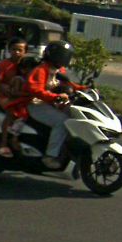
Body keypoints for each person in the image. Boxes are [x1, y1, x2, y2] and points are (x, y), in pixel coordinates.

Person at [25, 41, 84, 169]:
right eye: (62, 55)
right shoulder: (41, 70)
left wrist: (85, 89)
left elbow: (69, 85)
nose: (64, 59)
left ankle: (65, 150)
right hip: (35, 104)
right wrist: (55, 97)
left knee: (74, 116)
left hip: (51, 103)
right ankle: (50, 156)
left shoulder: (59, 70)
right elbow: (36, 90)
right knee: (62, 122)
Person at [0, 55, 38, 157]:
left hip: (23, 103)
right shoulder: (19, 79)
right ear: (24, 70)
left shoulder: (32, 81)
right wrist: (28, 94)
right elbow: (14, 92)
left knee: (24, 118)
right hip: (14, 103)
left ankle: (16, 138)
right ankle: (4, 143)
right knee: (11, 117)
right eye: (32, 69)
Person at [0, 37, 26, 107]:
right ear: (9, 50)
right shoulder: (3, 64)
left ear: (25, 51)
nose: (17, 52)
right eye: (14, 49)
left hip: (23, 96)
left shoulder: (28, 64)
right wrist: (10, 92)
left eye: (20, 50)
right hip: (4, 95)